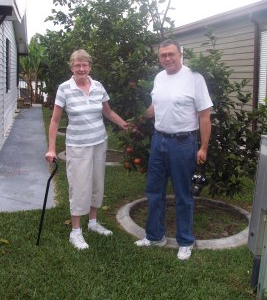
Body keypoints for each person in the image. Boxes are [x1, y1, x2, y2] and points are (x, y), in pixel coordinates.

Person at [135, 39, 212, 260]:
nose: (167, 59)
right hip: (158, 141)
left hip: (183, 143)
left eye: (171, 54)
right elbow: (156, 104)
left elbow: (205, 116)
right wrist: (144, 114)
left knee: (183, 194)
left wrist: (203, 147)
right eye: (163, 56)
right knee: (154, 191)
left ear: (180, 54)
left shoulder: (194, 78)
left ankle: (185, 240)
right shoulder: (159, 77)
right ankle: (154, 236)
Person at [45, 49, 128, 250]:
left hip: (99, 142)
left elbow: (107, 112)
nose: (81, 68)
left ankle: (92, 222)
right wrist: (51, 148)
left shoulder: (98, 86)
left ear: (90, 66)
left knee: (97, 184)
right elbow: (55, 120)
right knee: (79, 185)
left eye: (85, 65)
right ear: (72, 67)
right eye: (77, 65)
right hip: (78, 146)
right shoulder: (64, 88)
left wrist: (126, 126)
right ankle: (75, 231)